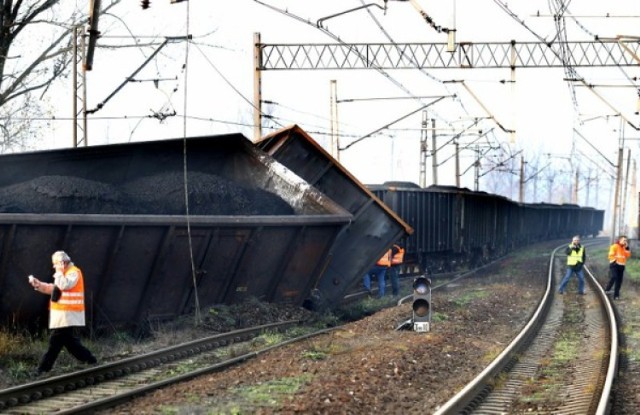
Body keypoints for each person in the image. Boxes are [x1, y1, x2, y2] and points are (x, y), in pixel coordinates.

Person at [28, 250, 97, 374]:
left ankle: (42, 370)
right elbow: (55, 289)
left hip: (68, 315)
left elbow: (63, 285)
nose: (54, 267)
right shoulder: (65, 274)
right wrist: (39, 285)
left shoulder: (73, 272)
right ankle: (90, 360)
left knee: (54, 343)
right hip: (64, 315)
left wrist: (59, 272)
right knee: (71, 344)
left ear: (63, 263)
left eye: (55, 264)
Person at [605, 235, 632, 300]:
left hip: (622, 266)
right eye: (624, 240)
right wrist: (615, 261)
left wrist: (627, 248)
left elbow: (628, 256)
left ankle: (616, 296)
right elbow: (610, 255)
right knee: (614, 277)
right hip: (614, 265)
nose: (625, 241)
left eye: (626, 240)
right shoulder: (614, 246)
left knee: (619, 281)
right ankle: (607, 289)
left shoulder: (625, 248)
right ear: (619, 240)